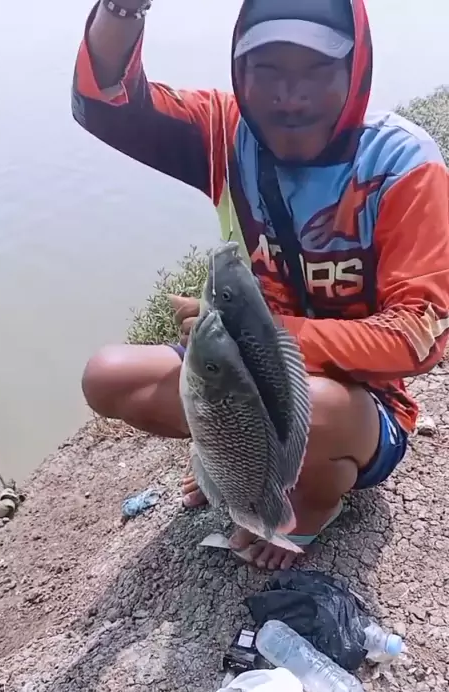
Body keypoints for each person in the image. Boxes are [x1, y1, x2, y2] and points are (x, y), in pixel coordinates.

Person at [72, 0, 449, 570]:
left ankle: (316, 502)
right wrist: (124, 7)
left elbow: (418, 335)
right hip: (252, 372)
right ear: (240, 73)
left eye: (317, 72)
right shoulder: (226, 134)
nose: (290, 97)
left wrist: (264, 337)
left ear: (356, 70)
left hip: (358, 405)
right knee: (109, 377)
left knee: (317, 405)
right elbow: (106, 103)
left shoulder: (400, 164)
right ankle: (237, 464)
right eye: (268, 72)